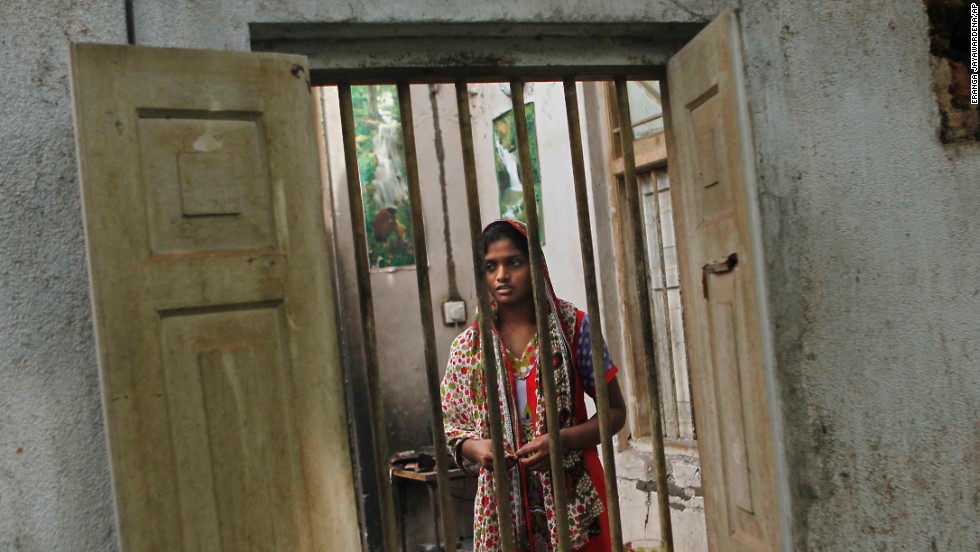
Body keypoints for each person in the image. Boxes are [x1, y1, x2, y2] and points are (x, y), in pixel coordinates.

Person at [441, 219, 627, 551]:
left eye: (513, 262)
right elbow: (451, 427)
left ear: (535, 264)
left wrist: (561, 440)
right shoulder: (468, 347)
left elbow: (615, 412)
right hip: (500, 508)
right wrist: (478, 448)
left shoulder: (574, 328)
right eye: (490, 266)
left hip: (575, 500)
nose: (501, 275)